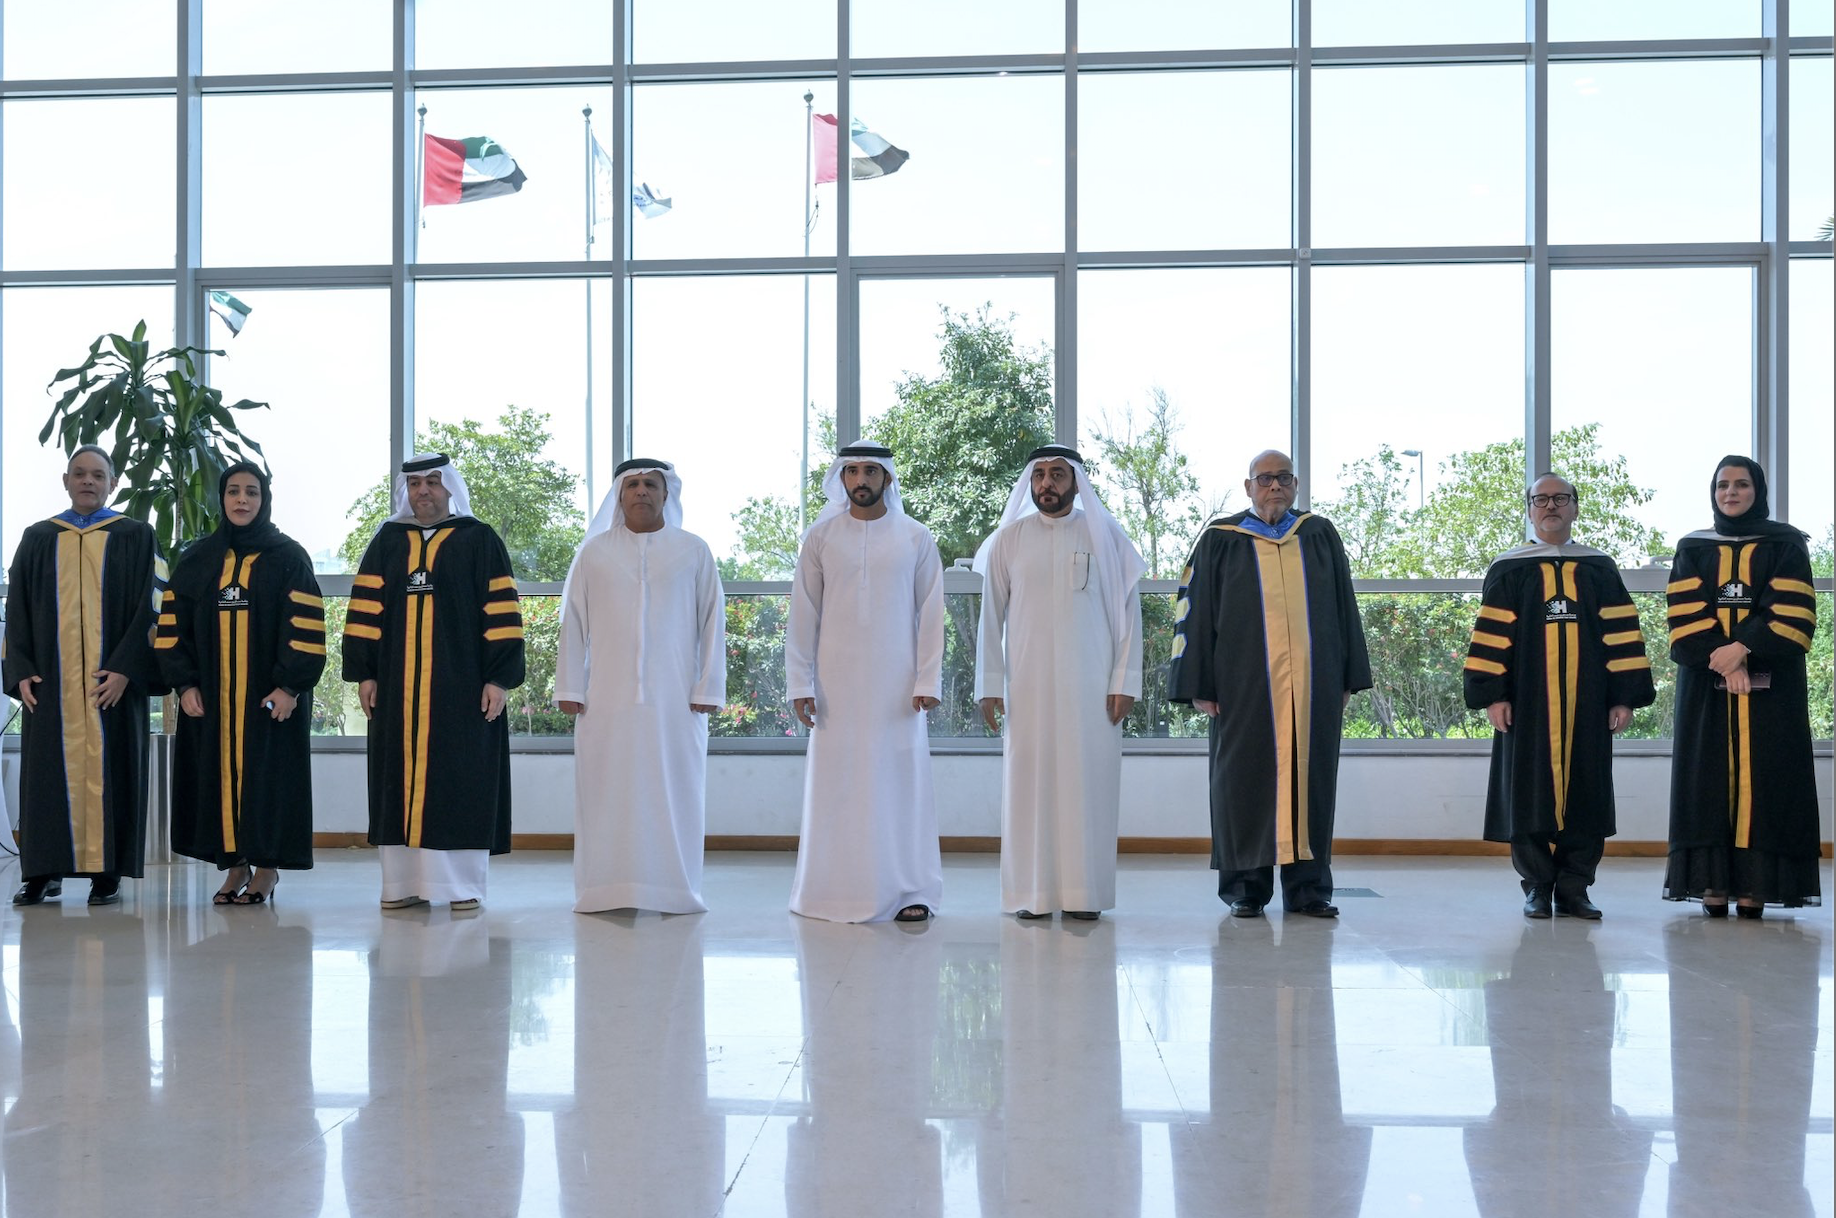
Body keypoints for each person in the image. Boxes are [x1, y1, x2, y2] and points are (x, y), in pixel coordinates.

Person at [1167, 449, 1370, 918]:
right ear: (1248, 487)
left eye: (1283, 478)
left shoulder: (1318, 534)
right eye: (1265, 479)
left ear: (1295, 485)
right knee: (1241, 784)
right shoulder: (1220, 539)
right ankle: (1245, 888)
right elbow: (1193, 612)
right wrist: (1199, 684)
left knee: (1312, 784)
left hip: (1314, 687)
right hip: (1242, 688)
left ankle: (1309, 889)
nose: (1274, 486)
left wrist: (1348, 676)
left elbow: (1345, 605)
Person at [1462, 474, 1655, 920]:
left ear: (1575, 507)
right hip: (1527, 704)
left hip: (1590, 704)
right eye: (1541, 499)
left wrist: (1623, 696)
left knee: (1587, 794)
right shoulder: (1510, 568)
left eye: (1560, 498)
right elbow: (1492, 635)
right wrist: (1493, 694)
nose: (1551, 506)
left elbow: (1620, 634)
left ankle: (1575, 889)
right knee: (1527, 795)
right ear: (1530, 509)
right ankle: (1536, 887)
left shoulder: (1598, 568)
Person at [343, 452, 524, 911]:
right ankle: (401, 885)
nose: (423, 490)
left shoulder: (479, 539)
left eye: (433, 482)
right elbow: (365, 611)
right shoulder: (387, 542)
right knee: (395, 781)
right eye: (415, 483)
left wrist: (499, 678)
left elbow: (501, 612)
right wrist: (364, 672)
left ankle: (460, 887)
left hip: (462, 688)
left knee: (460, 779)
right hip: (395, 688)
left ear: (450, 488)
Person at [974, 445, 1144, 920]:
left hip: (1091, 688)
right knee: (1029, 787)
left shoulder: (1106, 536)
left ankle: (1083, 896)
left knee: (1086, 786)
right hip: (1026, 686)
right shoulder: (1009, 539)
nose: (1047, 483)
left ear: (1076, 482)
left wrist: (1125, 681)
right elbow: (991, 616)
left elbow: (1130, 614)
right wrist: (990, 685)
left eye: (1057, 475)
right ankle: (1031, 895)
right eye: (1039, 475)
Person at [556, 458, 725, 914]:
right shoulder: (594, 553)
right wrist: (570, 686)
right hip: (604, 700)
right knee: (605, 793)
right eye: (632, 485)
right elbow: (573, 622)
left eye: (651, 484)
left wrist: (708, 687)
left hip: (678, 702)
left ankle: (676, 891)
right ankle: (603, 890)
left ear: (667, 494)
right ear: (619, 494)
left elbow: (713, 622)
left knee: (675, 794)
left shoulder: (693, 551)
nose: (641, 492)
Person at [785, 442, 945, 923]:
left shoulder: (916, 537)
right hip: (834, 686)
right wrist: (800, 684)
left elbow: (931, 612)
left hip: (898, 687)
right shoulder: (821, 538)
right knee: (838, 785)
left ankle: (910, 890)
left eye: (870, 471)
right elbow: (803, 615)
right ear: (841, 478)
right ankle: (831, 890)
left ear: (887, 478)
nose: (861, 480)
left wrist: (928, 678)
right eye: (852, 471)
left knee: (900, 784)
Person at [157, 463, 327, 905]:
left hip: (269, 701)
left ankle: (266, 870)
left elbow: (306, 627)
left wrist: (290, 687)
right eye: (233, 491)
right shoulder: (198, 560)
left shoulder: (288, 557)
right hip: (211, 702)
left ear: (264, 500)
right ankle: (234, 867)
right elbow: (172, 630)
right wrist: (184, 685)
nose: (242, 500)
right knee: (216, 782)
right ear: (222, 498)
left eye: (252, 492)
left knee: (268, 783)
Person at [4, 445, 165, 907]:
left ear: (113, 483)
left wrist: (127, 669)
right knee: (46, 780)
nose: (88, 481)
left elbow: (153, 605)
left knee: (113, 772)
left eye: (97, 474)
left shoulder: (136, 536)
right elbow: (16, 609)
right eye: (79, 474)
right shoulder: (38, 537)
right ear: (66, 481)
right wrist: (21, 672)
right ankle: (42, 873)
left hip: (111, 684)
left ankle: (107, 873)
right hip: (50, 686)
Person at [1663, 456, 1822, 918]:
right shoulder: (1693, 547)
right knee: (1706, 781)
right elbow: (1684, 615)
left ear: (1759, 491)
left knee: (1770, 782)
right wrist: (1724, 659)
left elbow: (1792, 611)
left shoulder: (1786, 544)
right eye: (1722, 485)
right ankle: (1710, 883)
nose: (1730, 493)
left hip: (1773, 688)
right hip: (1705, 686)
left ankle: (1756, 887)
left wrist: (1742, 649)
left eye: (1741, 484)